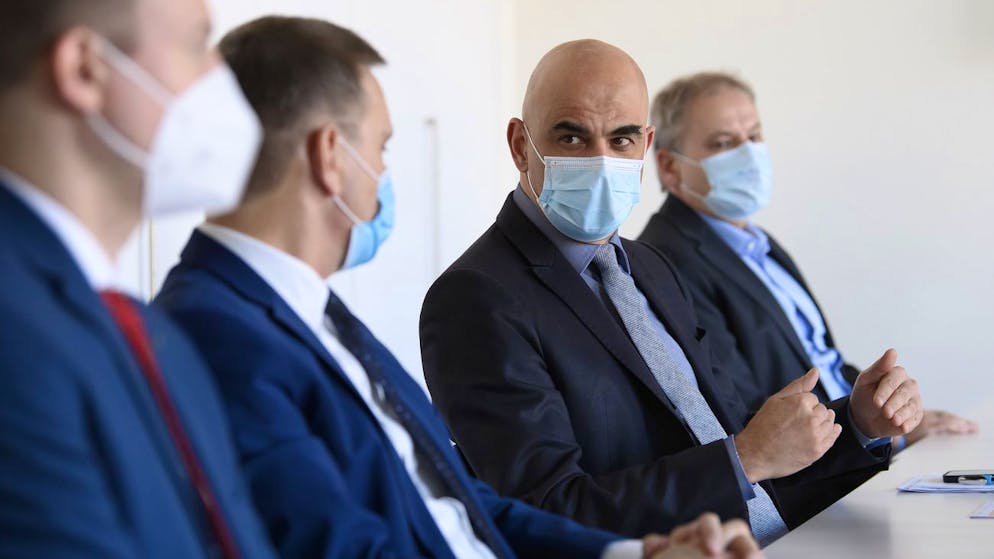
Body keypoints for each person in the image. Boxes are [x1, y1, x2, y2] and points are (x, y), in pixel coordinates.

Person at [154, 16, 761, 559]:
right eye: (382, 148)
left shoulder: (314, 312)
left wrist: (637, 554)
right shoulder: (216, 334)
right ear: (330, 156)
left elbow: (462, 506)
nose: (384, 175)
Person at [419, 39, 924, 546]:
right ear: (519, 145)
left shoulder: (651, 267)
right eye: (571, 137)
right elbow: (544, 511)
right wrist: (746, 457)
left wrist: (857, 424)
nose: (600, 160)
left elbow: (739, 452)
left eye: (621, 139)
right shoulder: (475, 298)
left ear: (645, 145)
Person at [0, 0, 276, 557]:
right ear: (85, 68)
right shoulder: (14, 340)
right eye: (197, 45)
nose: (221, 79)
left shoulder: (155, 336)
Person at [636, 72, 976, 447]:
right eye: (723, 143)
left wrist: (897, 416)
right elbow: (741, 416)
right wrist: (879, 437)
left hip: (858, 451)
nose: (748, 154)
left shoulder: (757, 243)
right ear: (670, 167)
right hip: (816, 471)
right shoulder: (666, 261)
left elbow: (823, 363)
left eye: (754, 136)